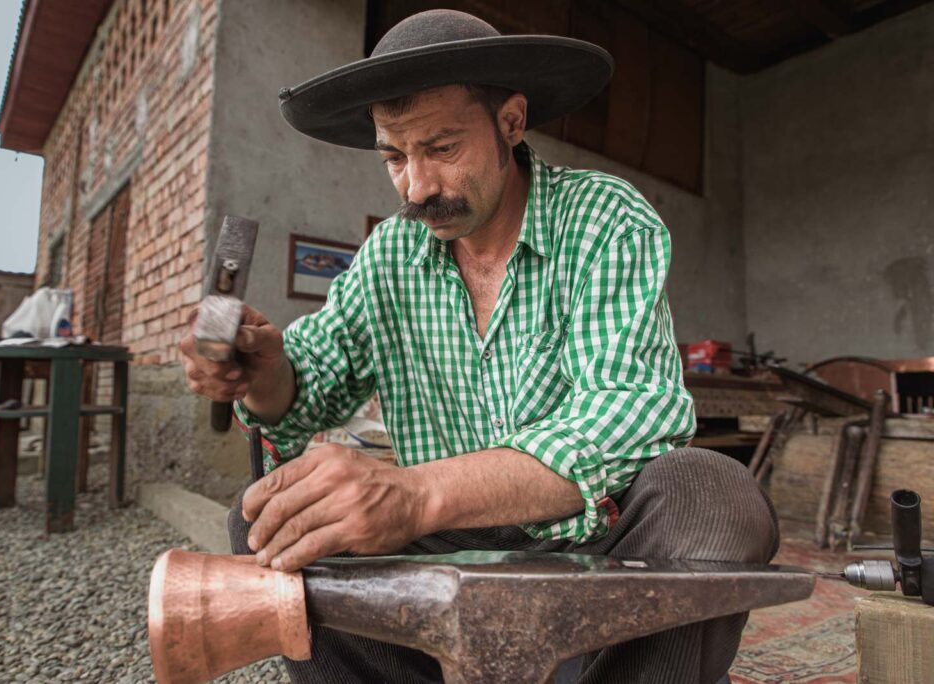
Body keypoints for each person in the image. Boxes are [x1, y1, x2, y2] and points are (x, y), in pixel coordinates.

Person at [180, 9, 778, 684]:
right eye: (394, 158)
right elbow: (310, 382)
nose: (416, 187)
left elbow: (630, 414)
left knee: (714, 494)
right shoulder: (390, 256)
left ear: (512, 123)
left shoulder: (604, 219)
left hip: (587, 538)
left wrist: (415, 495)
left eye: (441, 149)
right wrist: (265, 373)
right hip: (443, 551)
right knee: (270, 520)